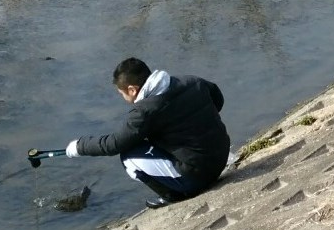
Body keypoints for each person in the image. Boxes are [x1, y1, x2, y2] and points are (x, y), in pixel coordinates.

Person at [64, 57, 229, 209]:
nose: (123, 98)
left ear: (132, 90)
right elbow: (218, 100)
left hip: (198, 177)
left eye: (121, 94)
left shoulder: (145, 111)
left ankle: (174, 195)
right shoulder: (192, 81)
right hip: (221, 158)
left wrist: (78, 147)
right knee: (147, 142)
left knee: (129, 156)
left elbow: (114, 144)